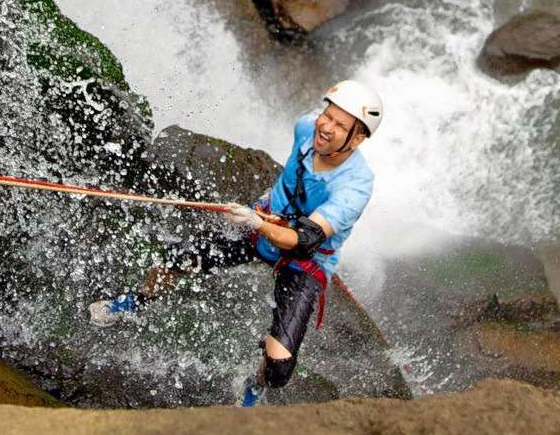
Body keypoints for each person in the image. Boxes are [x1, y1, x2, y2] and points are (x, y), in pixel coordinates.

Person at [87, 79, 382, 406]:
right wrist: (261, 214)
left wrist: (256, 223)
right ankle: (132, 302)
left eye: (340, 125)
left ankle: (254, 385)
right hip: (265, 222)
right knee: (177, 259)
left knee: (280, 369)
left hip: (303, 259)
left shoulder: (355, 187)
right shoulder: (305, 128)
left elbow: (302, 240)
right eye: (326, 115)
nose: (325, 127)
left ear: (357, 138)